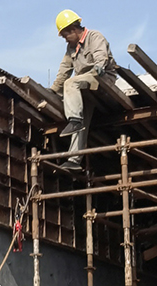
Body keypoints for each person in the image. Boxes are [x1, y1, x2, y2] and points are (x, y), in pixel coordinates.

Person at [52, 8, 114, 171]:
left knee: (71, 84)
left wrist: (99, 65)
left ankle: (74, 120)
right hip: (84, 85)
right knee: (81, 119)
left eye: (65, 35)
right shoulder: (71, 48)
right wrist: (53, 91)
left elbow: (100, 54)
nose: (65, 39)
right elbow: (64, 70)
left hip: (101, 78)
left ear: (73, 29)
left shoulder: (94, 36)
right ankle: (74, 160)